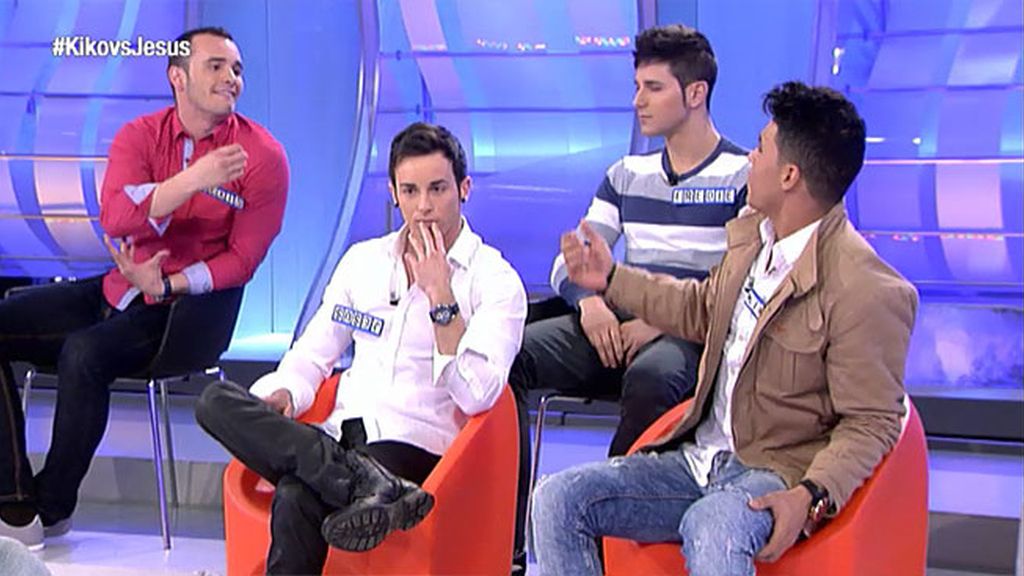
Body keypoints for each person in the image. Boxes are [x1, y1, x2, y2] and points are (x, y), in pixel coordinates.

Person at [531, 81, 919, 576]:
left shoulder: (866, 288)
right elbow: (699, 309)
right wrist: (611, 279)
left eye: (760, 148)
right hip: (697, 459)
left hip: (776, 470)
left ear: (790, 175)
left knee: (714, 523)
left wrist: (811, 494)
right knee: (557, 499)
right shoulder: (752, 238)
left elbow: (872, 422)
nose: (749, 159)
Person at [0, 26, 288, 549]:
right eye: (216, 66)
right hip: (116, 289)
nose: (231, 78)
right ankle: (15, 498)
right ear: (177, 76)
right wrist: (191, 181)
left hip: (185, 314)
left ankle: (53, 506)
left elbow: (243, 260)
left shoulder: (262, 155)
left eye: (237, 69)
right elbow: (116, 217)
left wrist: (169, 281)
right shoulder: (139, 136)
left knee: (84, 353)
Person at [195, 122, 527, 575]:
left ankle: (369, 481)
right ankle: (363, 482)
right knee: (214, 401)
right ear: (393, 193)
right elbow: (314, 353)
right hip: (342, 436)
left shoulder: (495, 281)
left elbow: (478, 395)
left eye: (437, 189)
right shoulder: (362, 263)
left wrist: (441, 296)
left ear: (463, 189)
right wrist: (286, 392)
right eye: (410, 191)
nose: (424, 207)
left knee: (296, 492)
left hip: (421, 450)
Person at [508, 24, 749, 569]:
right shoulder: (626, 174)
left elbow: (737, 284)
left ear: (696, 93)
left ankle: (598, 534)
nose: (638, 100)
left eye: (653, 88)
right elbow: (571, 262)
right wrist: (589, 304)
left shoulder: (743, 178)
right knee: (508, 356)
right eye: (637, 86)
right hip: (609, 322)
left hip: (685, 335)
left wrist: (660, 321)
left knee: (653, 377)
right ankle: (509, 543)